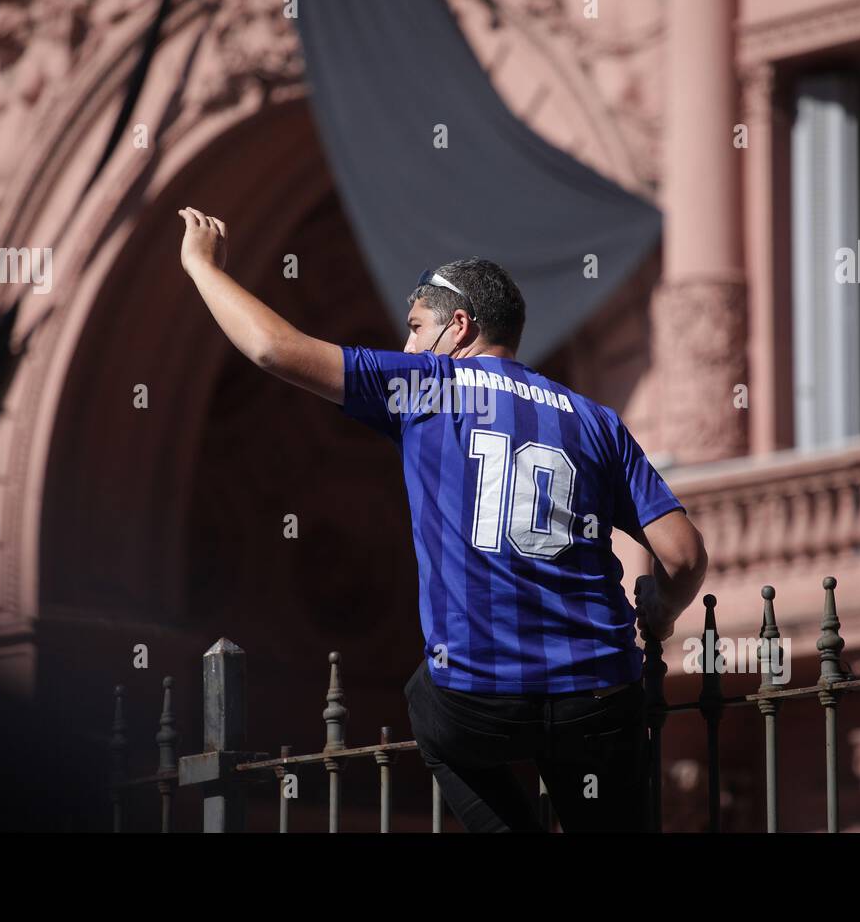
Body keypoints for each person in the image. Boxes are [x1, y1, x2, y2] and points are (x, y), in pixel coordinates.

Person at [178, 206, 708, 832]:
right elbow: (684, 556)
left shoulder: (429, 384)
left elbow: (272, 349)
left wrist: (200, 265)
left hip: (477, 694)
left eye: (414, 327)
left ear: (458, 327)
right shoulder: (595, 420)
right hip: (597, 688)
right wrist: (661, 608)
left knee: (425, 702)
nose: (406, 345)